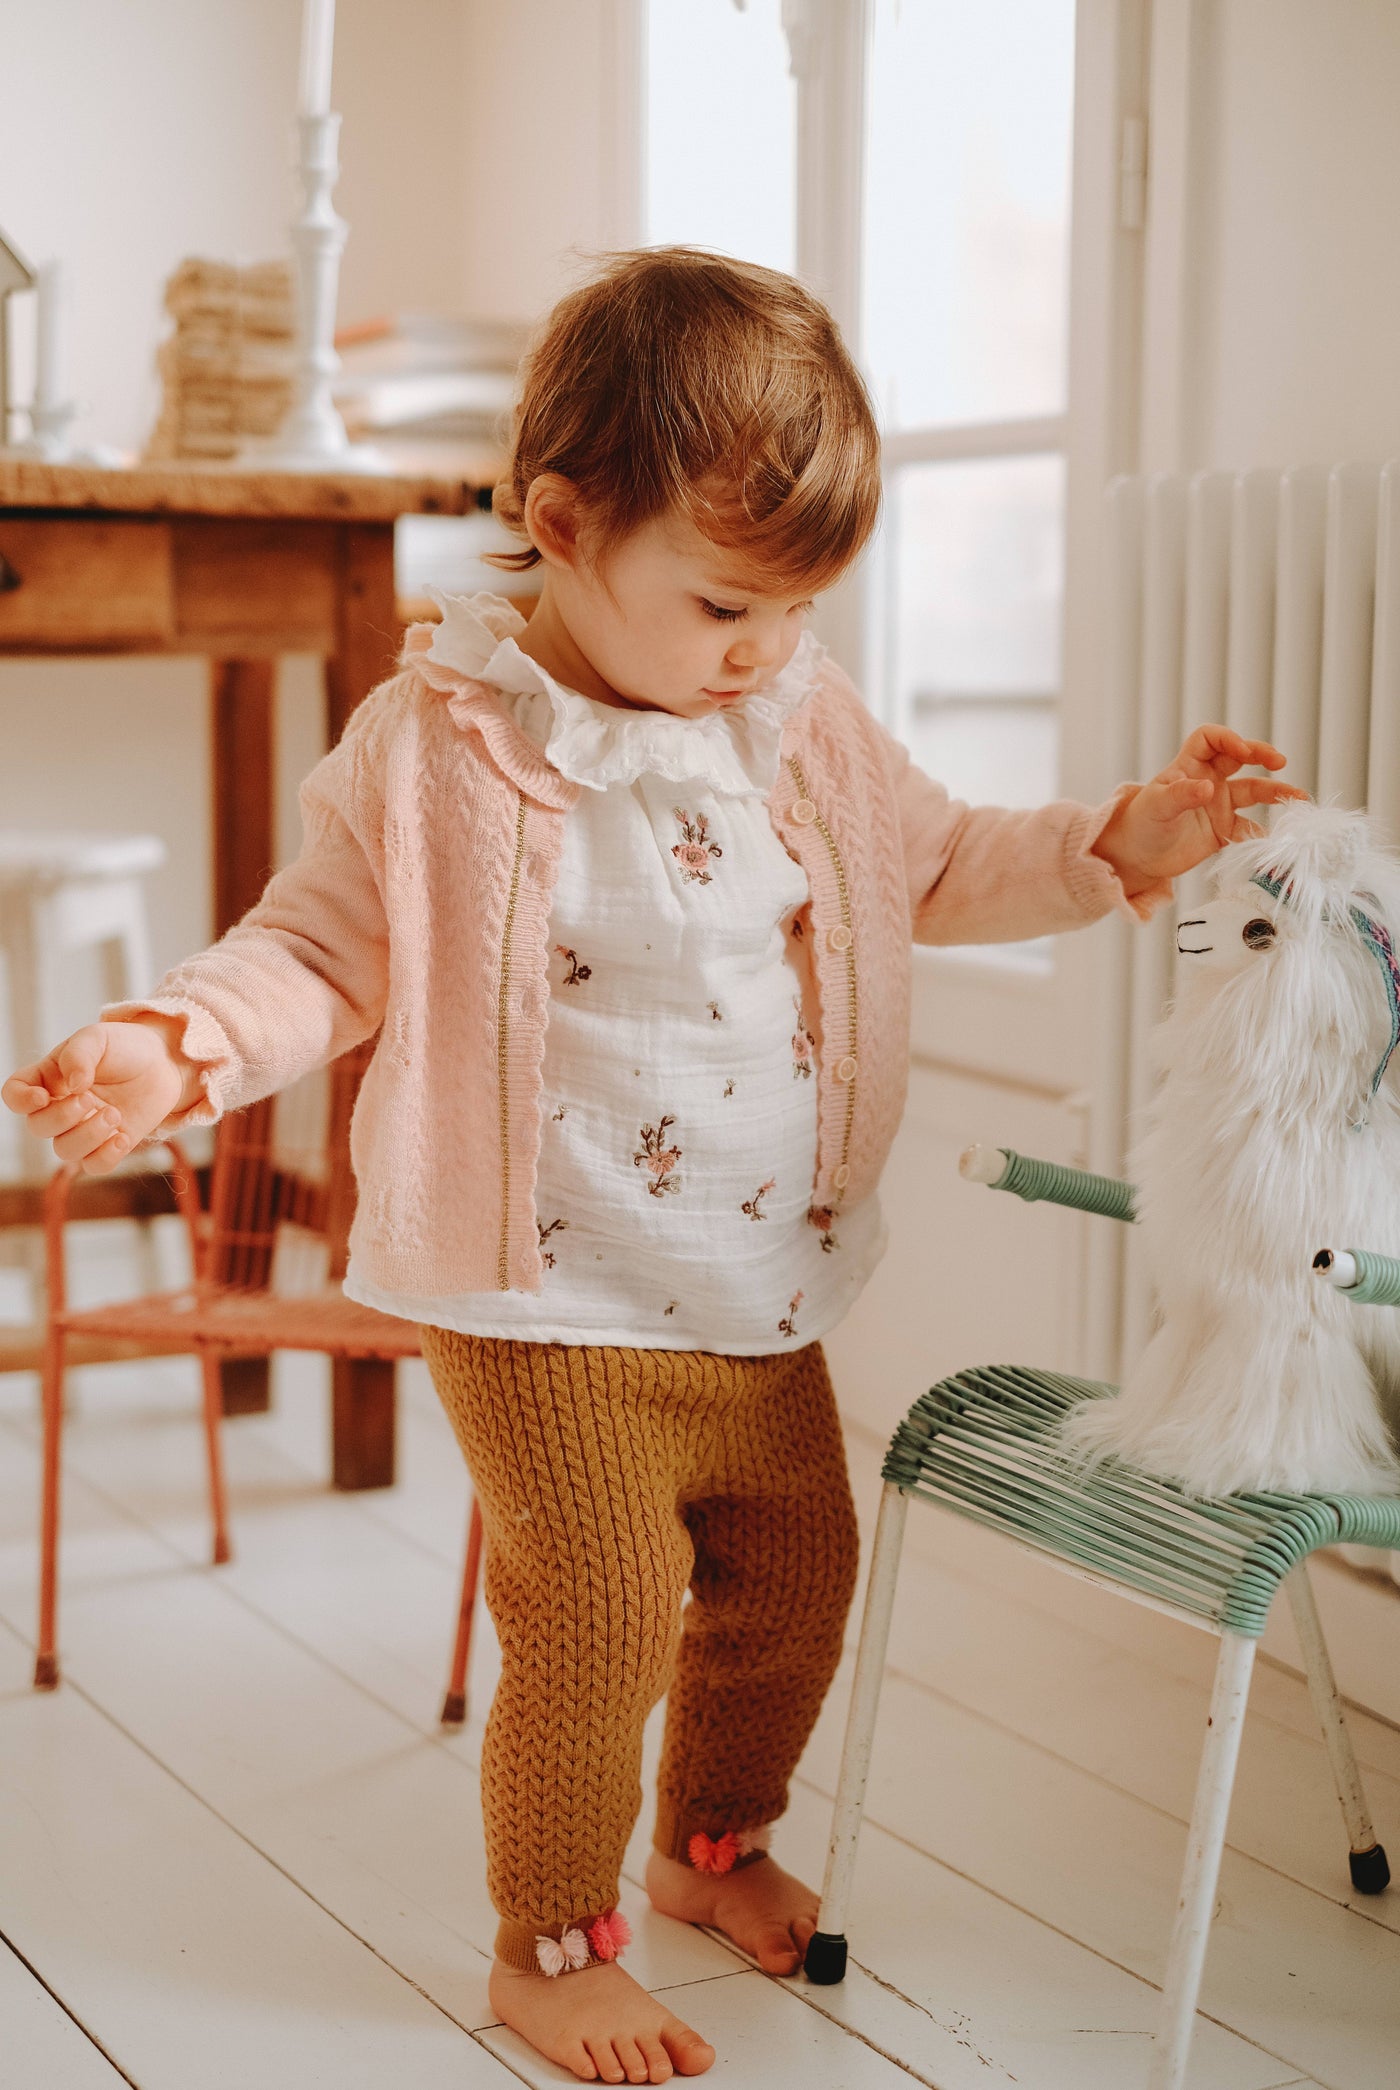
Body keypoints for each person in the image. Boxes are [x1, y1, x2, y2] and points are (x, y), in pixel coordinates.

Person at [2, 248, 1304, 2086]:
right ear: (557, 523)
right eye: (722, 604)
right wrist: (178, 1043)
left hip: (756, 1286)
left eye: (793, 609)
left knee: (794, 1581)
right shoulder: (437, 743)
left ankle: (712, 1843)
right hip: (540, 1292)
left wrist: (1123, 838)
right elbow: (313, 950)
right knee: (602, 1607)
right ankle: (551, 1940)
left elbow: (940, 866)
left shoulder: (801, 726)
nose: (762, 647)